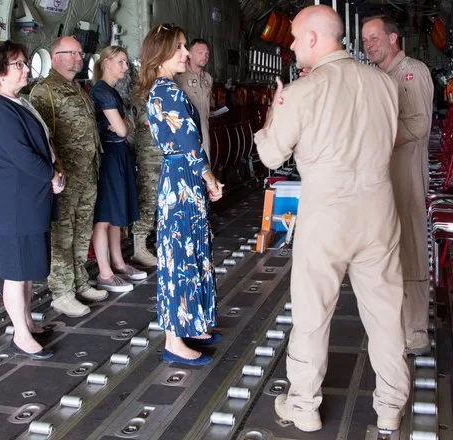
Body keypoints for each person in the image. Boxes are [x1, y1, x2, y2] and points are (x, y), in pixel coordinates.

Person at [254, 5, 410, 433]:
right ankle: (391, 405)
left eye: (293, 36)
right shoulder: (383, 84)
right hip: (379, 211)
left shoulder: (303, 92)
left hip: (326, 214)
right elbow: (391, 140)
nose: (288, 44)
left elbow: (270, 155)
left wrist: (275, 108)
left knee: (312, 312)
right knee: (384, 312)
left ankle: (303, 404)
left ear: (312, 39)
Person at [137, 23, 224, 366]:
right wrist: (210, 176)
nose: (186, 54)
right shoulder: (168, 92)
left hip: (181, 177)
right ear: (161, 54)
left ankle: (195, 323)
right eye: (180, 48)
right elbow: (189, 142)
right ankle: (175, 340)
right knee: (181, 257)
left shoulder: (163, 89)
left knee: (193, 249)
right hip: (183, 177)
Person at [0, 40, 63, 359]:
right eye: (19, 64)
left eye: (25, 63)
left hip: (29, 201)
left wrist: (55, 169)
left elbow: (41, 144)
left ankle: (27, 320)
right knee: (15, 272)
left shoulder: (18, 103)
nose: (27, 68)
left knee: (26, 268)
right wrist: (51, 175)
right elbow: (22, 156)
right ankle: (20, 334)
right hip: (14, 204)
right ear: (0, 72)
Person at [362, 15, 434, 356]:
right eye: (365, 40)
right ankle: (393, 326)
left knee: (411, 246)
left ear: (394, 38)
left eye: (375, 38)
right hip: (381, 175)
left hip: (405, 172)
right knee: (386, 249)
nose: (369, 44)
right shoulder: (378, 77)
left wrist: (377, 139)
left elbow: (419, 124)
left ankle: (416, 329)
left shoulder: (412, 72)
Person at [30, 36, 107, 318]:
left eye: (80, 53)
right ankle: (62, 292)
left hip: (87, 173)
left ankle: (80, 281)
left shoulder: (77, 88)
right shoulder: (45, 91)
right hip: (64, 177)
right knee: (62, 234)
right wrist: (55, 171)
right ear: (56, 56)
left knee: (82, 231)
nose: (79, 57)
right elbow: (42, 138)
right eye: (72, 53)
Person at [89, 46, 146, 291]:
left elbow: (126, 127)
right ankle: (104, 272)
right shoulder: (102, 92)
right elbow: (124, 130)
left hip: (118, 153)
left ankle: (119, 263)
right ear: (107, 62)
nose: (125, 67)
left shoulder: (111, 93)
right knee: (103, 217)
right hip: (109, 155)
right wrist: (124, 126)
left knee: (115, 216)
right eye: (121, 62)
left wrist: (124, 125)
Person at [130, 92, 161, 267]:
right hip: (148, 155)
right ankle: (139, 248)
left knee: (163, 201)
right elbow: (147, 120)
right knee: (147, 200)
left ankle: (160, 241)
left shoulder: (162, 92)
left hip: (164, 153)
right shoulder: (140, 95)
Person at [175, 38, 213, 161]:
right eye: (200, 53)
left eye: (207, 54)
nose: (205, 56)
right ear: (189, 54)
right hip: (186, 132)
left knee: (206, 166)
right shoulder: (179, 76)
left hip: (204, 131)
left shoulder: (208, 78)